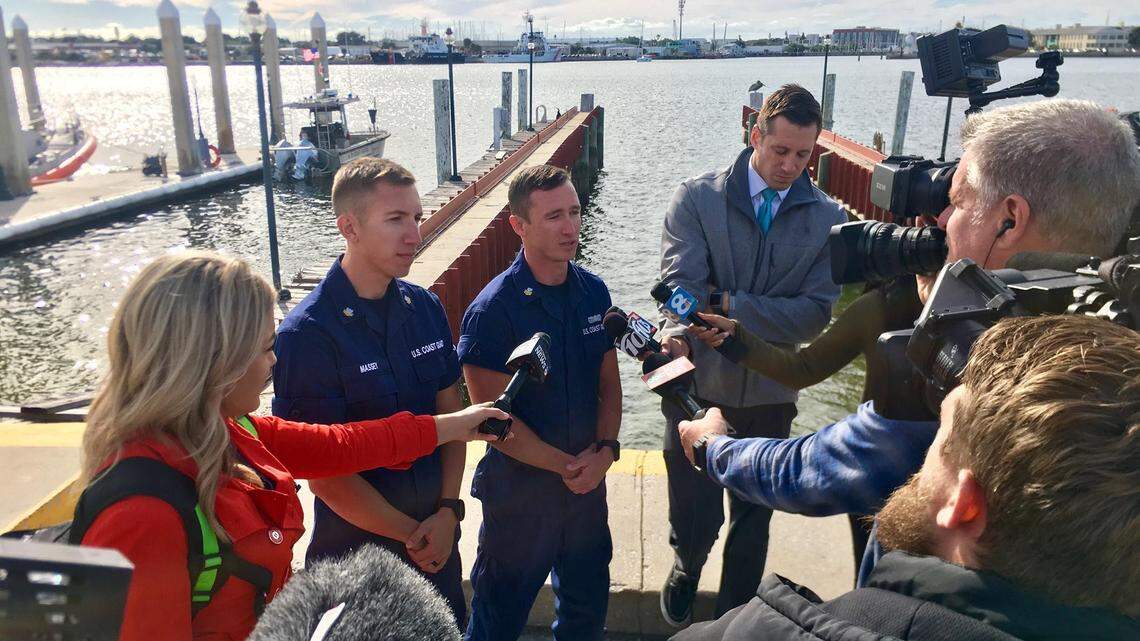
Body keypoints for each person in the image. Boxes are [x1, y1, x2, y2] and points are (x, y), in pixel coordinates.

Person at [677, 97, 1140, 585]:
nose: (939, 222)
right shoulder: (1114, 328)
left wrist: (714, 448)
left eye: (957, 203)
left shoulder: (967, 362)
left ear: (1011, 218)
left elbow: (812, 471)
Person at [76, 252, 507, 641]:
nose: (274, 362)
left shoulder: (228, 431)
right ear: (214, 361)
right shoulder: (142, 515)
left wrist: (453, 426)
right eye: (266, 347)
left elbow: (341, 445)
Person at [673, 314, 1140, 641]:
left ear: (965, 503)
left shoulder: (762, 630)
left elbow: (801, 467)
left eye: (940, 437)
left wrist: (714, 448)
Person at [656, 83, 848, 624]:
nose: (790, 165)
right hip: (695, 384)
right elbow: (676, 290)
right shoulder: (696, 198)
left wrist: (728, 305)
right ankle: (687, 565)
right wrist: (749, 310)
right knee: (691, 507)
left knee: (753, 514)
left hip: (770, 390)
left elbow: (815, 314)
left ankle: (736, 613)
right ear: (754, 134)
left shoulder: (829, 218)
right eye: (780, 150)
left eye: (803, 155)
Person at [272, 158, 471, 626]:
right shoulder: (308, 335)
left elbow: (452, 416)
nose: (414, 235)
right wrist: (415, 535)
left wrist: (448, 511)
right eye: (396, 219)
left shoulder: (423, 308)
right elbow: (322, 472)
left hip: (437, 548)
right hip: (356, 565)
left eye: (417, 218)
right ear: (350, 227)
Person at [458, 164, 622, 641]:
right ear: (519, 225)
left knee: (585, 618)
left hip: (587, 493)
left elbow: (608, 385)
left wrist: (606, 451)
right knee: (496, 625)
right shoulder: (493, 311)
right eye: (553, 216)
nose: (570, 227)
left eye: (574, 211)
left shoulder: (593, 290)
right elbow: (495, 419)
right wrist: (569, 466)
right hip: (521, 501)